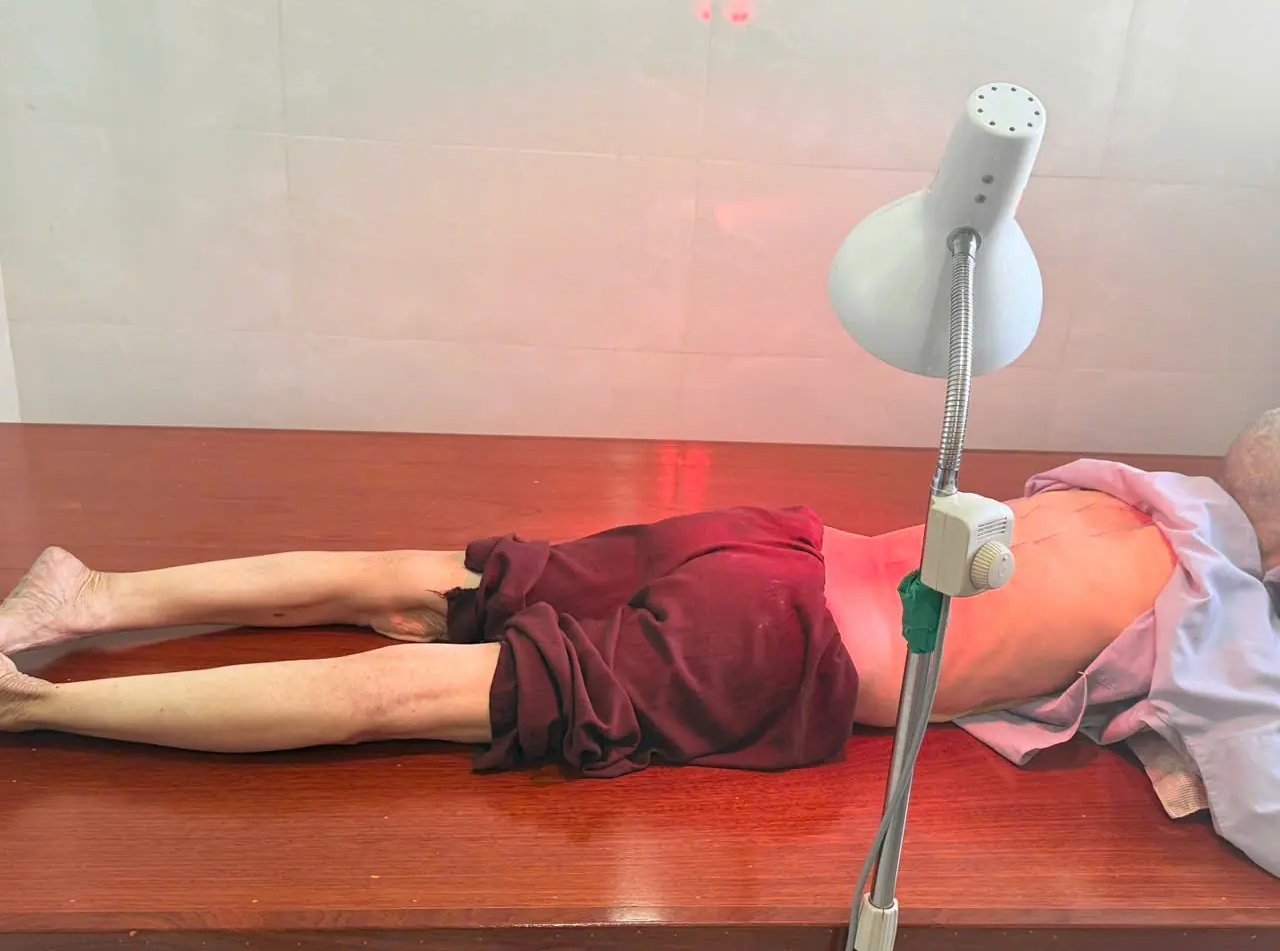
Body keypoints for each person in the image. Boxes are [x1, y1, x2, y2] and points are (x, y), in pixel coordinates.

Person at [0, 410, 1276, 780]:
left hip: (770, 543)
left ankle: (89, 596)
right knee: (402, 693)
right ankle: (28, 703)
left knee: (429, 580)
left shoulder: (1127, 484)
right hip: (780, 645)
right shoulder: (1221, 626)